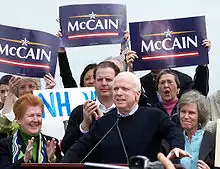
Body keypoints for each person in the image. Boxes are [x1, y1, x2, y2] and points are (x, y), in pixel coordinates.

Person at [61, 72, 189, 163]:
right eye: (115, 89)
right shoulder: (103, 123)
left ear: (137, 94)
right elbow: (79, 149)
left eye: (125, 89)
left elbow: (173, 131)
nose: (118, 93)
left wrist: (176, 146)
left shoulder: (154, 115)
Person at [126, 39, 210, 106]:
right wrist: (131, 70)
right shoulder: (141, 83)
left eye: (169, 82)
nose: (166, 85)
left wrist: (203, 58)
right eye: (162, 83)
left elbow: (200, 96)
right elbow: (133, 101)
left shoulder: (184, 80)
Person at [61, 61, 120, 154]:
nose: (104, 83)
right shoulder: (80, 111)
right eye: (100, 79)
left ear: (117, 82)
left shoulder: (124, 111)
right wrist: (84, 126)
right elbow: (66, 148)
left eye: (108, 79)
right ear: (95, 82)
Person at [0, 94, 61, 169]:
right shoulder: (4, 145)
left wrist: (53, 159)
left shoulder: (51, 142)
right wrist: (24, 160)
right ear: (18, 119)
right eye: (31, 116)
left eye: (39, 115)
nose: (35, 120)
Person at [176, 90, 216, 169]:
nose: (186, 116)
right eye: (183, 112)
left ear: (200, 115)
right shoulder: (172, 138)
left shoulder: (213, 140)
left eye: (191, 113)